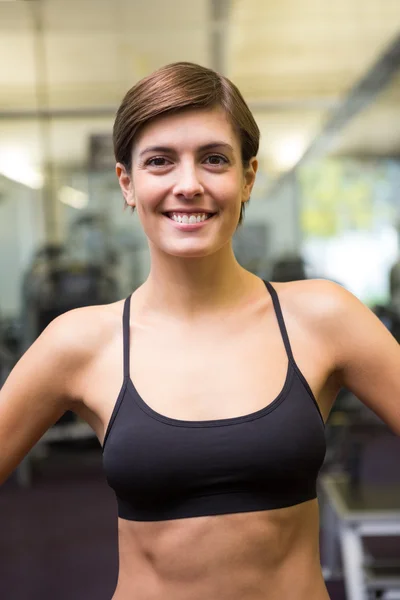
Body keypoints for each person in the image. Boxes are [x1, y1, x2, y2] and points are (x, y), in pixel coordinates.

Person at [1, 62, 399, 600]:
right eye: (160, 162)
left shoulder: (323, 317)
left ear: (248, 177)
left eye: (214, 160)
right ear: (128, 183)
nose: (188, 185)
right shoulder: (80, 342)